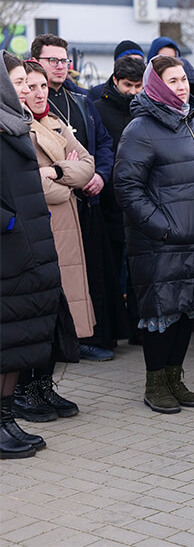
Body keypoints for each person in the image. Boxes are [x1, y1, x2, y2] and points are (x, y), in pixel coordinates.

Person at [114, 55, 194, 413]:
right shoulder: (141, 128)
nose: (182, 86)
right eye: (172, 81)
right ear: (156, 85)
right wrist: (163, 228)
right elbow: (126, 187)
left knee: (186, 309)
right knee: (161, 315)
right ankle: (155, 383)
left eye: (183, 79)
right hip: (161, 242)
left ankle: (175, 378)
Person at [31, 33, 127, 362]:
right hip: (54, 208)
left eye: (64, 60)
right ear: (37, 63)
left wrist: (99, 174)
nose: (60, 66)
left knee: (93, 274)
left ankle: (90, 335)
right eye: (52, 61)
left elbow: (101, 145)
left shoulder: (83, 101)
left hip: (90, 202)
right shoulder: (35, 106)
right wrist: (69, 173)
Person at [1, 52, 76, 459]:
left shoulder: (14, 123)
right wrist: (9, 223)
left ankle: (6, 419)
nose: (27, 89)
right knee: (5, 340)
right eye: (16, 82)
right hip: (9, 245)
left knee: (15, 340)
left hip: (27, 245)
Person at [12, 61, 94, 424]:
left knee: (59, 312)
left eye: (43, 85)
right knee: (38, 309)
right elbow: (32, 186)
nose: (38, 91)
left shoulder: (55, 123)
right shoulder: (18, 128)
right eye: (29, 85)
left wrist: (57, 171)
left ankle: (44, 384)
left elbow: (87, 165)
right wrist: (65, 179)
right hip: (41, 228)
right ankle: (24, 390)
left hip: (66, 231)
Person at [93, 56, 146, 346]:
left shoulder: (146, 110)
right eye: (128, 85)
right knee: (111, 271)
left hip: (140, 205)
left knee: (138, 271)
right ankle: (112, 331)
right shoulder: (98, 109)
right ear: (115, 81)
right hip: (110, 203)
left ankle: (140, 328)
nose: (134, 91)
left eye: (139, 85)